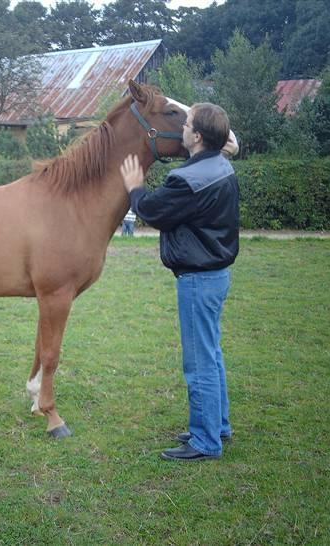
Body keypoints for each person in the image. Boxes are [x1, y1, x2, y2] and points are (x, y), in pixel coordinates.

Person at [119, 103, 239, 461]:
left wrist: (135, 188)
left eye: (186, 123)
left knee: (199, 362)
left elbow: (153, 211)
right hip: (217, 276)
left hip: (198, 279)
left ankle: (205, 442)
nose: (182, 127)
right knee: (212, 354)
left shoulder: (189, 180)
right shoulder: (221, 166)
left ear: (197, 136)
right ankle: (218, 425)